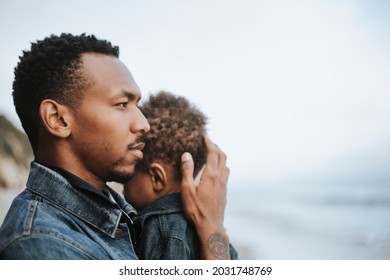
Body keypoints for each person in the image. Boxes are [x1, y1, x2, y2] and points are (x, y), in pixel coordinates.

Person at [0, 33, 231, 259]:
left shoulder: (122, 213)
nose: (144, 124)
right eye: (122, 104)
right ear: (58, 119)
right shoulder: (41, 245)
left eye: (137, 105)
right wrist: (212, 228)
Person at [123, 91, 238, 259]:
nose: (126, 178)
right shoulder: (213, 232)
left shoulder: (161, 227)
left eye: (133, 164)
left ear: (156, 177)